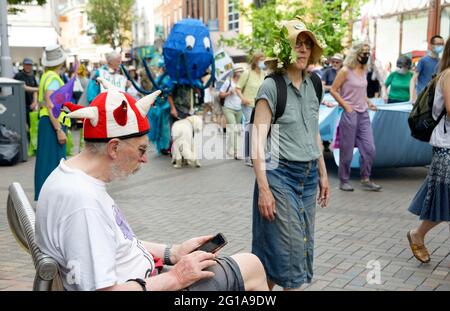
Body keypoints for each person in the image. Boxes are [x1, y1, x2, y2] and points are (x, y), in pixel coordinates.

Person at [35, 87, 268, 291]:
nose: (145, 160)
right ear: (114, 148)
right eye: (141, 150)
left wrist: (173, 253)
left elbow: (116, 243)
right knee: (253, 267)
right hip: (151, 282)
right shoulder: (84, 203)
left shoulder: (71, 177)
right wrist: (176, 277)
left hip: (147, 276)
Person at [251, 19, 330, 291]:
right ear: (284, 49)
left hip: (307, 178)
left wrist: (322, 172)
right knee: (291, 251)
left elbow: (314, 132)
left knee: (284, 249)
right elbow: (256, 144)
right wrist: (264, 189)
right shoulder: (271, 87)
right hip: (279, 177)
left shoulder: (315, 84)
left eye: (307, 44)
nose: (303, 49)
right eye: (297, 43)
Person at [407, 37, 450, 264]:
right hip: (446, 147)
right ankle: (418, 234)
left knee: (444, 199)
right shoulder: (449, 75)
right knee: (443, 198)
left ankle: (418, 234)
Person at [330, 42, 381, 192]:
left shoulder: (364, 70)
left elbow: (362, 92)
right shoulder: (345, 71)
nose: (366, 55)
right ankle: (343, 180)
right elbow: (333, 90)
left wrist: (369, 102)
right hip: (349, 114)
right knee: (346, 150)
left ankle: (366, 179)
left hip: (363, 114)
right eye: (363, 53)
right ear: (355, 54)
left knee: (370, 148)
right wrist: (346, 106)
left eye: (367, 53)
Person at [34, 45, 70, 201]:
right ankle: (52, 199)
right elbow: (51, 105)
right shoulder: (53, 78)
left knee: (46, 161)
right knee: (54, 162)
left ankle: (47, 198)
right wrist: (58, 130)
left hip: (47, 122)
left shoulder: (46, 76)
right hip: (52, 124)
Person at [236, 52, 266, 166]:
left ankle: (258, 155)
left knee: (260, 130)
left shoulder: (264, 74)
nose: (262, 61)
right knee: (250, 129)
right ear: (255, 61)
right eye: (260, 59)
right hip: (248, 105)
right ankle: (248, 157)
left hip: (260, 105)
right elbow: (238, 88)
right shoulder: (247, 73)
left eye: (264, 59)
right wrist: (243, 98)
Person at [410, 35, 445, 101]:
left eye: (442, 44)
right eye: (438, 44)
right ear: (431, 45)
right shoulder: (423, 60)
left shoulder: (441, 62)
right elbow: (413, 79)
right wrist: (412, 98)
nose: (440, 46)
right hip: (422, 97)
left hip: (435, 97)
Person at [220, 66, 244, 159]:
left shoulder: (243, 82)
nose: (241, 73)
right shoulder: (228, 82)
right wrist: (229, 93)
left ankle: (229, 149)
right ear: (235, 72)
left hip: (239, 108)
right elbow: (220, 94)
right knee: (233, 128)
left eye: (242, 71)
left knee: (236, 130)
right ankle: (236, 152)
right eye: (239, 71)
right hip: (228, 108)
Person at [13, 58, 38, 130]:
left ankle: (30, 140)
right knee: (22, 127)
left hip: (30, 107)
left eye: (30, 65)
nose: (28, 66)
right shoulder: (19, 76)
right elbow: (24, 87)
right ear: (23, 65)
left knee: (32, 127)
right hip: (21, 106)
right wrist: (40, 89)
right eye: (27, 65)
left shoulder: (32, 76)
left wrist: (35, 102)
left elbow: (34, 91)